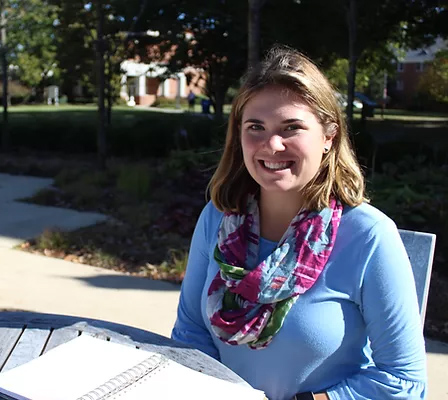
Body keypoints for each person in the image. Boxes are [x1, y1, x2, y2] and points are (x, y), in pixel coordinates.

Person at [171, 46, 426, 400]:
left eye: (292, 128)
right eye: (255, 127)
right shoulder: (217, 217)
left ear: (328, 137)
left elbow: (404, 381)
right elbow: (189, 336)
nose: (271, 144)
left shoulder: (369, 236)